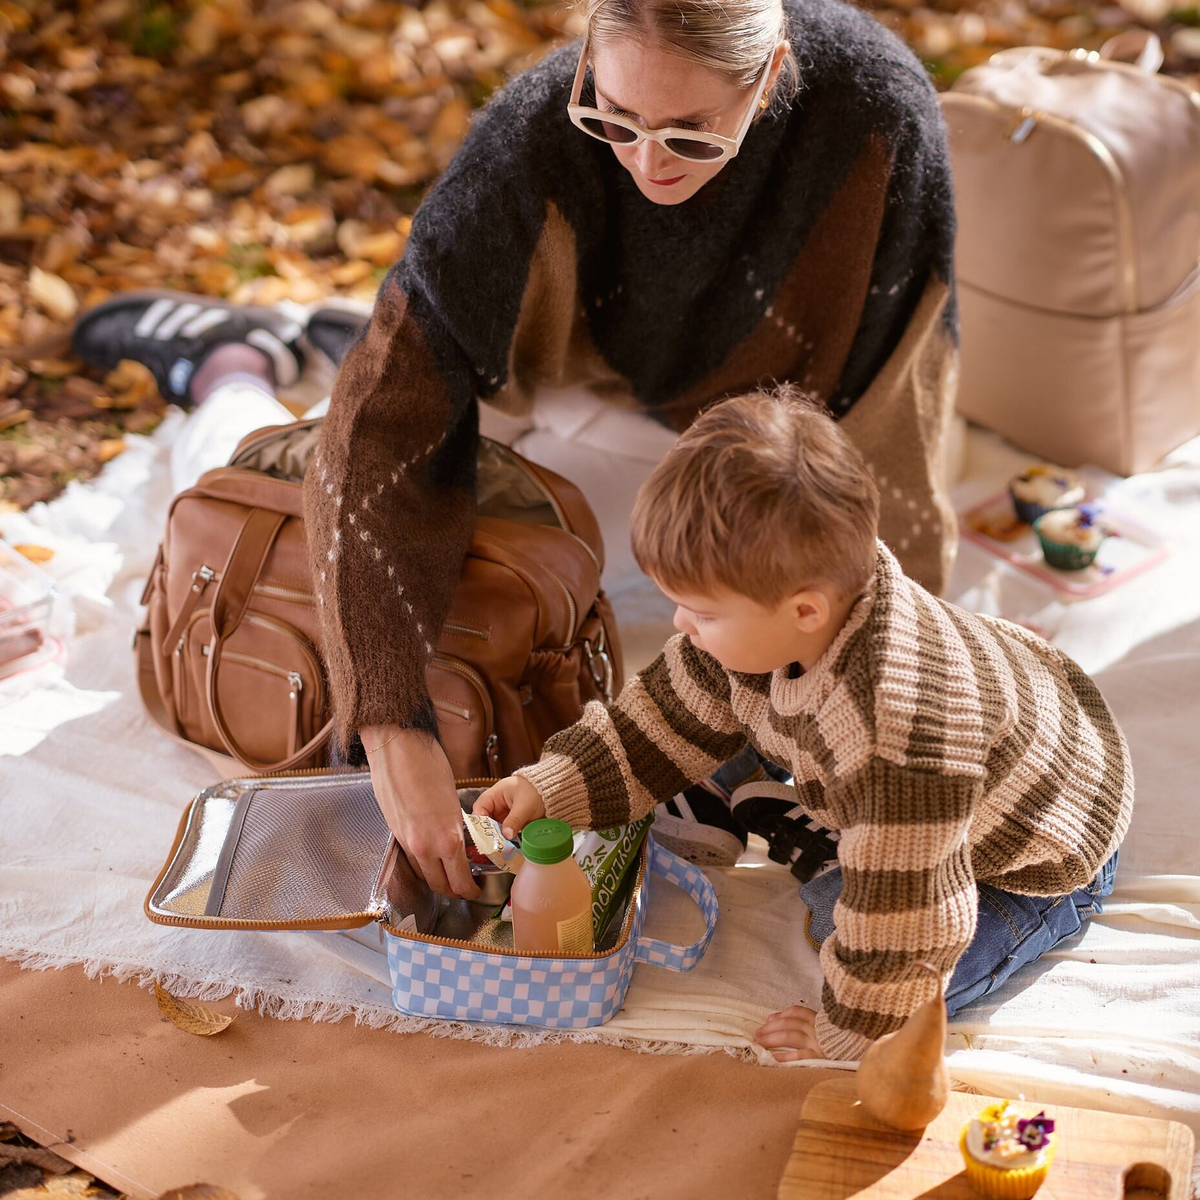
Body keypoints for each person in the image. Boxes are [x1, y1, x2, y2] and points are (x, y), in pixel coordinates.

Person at [73, 0, 961, 901]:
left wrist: (883, 663)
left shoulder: (873, 116)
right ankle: (231, 370)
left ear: (769, 77)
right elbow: (385, 420)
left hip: (709, 416)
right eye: (614, 119)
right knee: (278, 507)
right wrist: (392, 722)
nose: (646, 161)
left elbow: (896, 395)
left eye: (691, 136)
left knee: (591, 572)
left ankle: (325, 342)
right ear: (588, 59)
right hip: (525, 370)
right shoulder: (532, 132)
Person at [473, 388, 1133, 1061]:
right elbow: (660, 713)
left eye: (700, 612)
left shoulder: (896, 742)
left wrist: (848, 1030)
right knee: (705, 714)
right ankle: (790, 803)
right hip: (985, 746)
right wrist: (553, 786)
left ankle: (818, 837)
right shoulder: (790, 605)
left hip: (1035, 856)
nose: (678, 624)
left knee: (865, 948)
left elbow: (912, 922)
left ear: (805, 612)